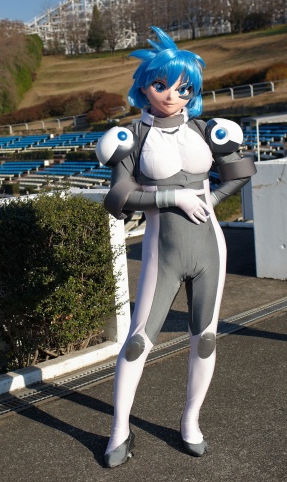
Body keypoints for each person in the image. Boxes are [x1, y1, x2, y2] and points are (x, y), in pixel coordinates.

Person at [95, 27, 256, 467]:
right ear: (144, 86)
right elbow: (118, 197)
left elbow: (240, 171)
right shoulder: (132, 136)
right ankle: (119, 430)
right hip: (161, 251)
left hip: (209, 247)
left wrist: (211, 199)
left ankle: (190, 420)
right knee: (137, 342)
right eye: (161, 85)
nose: (172, 95)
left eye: (183, 88)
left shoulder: (206, 129)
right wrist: (173, 198)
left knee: (205, 338)